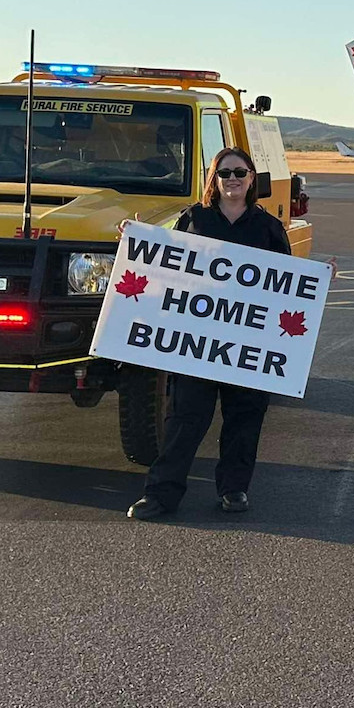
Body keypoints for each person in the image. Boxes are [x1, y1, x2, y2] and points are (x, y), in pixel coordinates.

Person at [126, 147, 291, 520]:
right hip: (197, 342)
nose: (232, 179)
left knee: (244, 419)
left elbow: (289, 283)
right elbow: (163, 264)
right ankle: (161, 495)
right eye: (225, 173)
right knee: (184, 420)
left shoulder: (268, 227)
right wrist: (136, 240)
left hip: (248, 342)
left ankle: (234, 489)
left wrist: (321, 276)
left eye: (240, 172)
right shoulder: (194, 219)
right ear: (213, 180)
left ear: (252, 179)